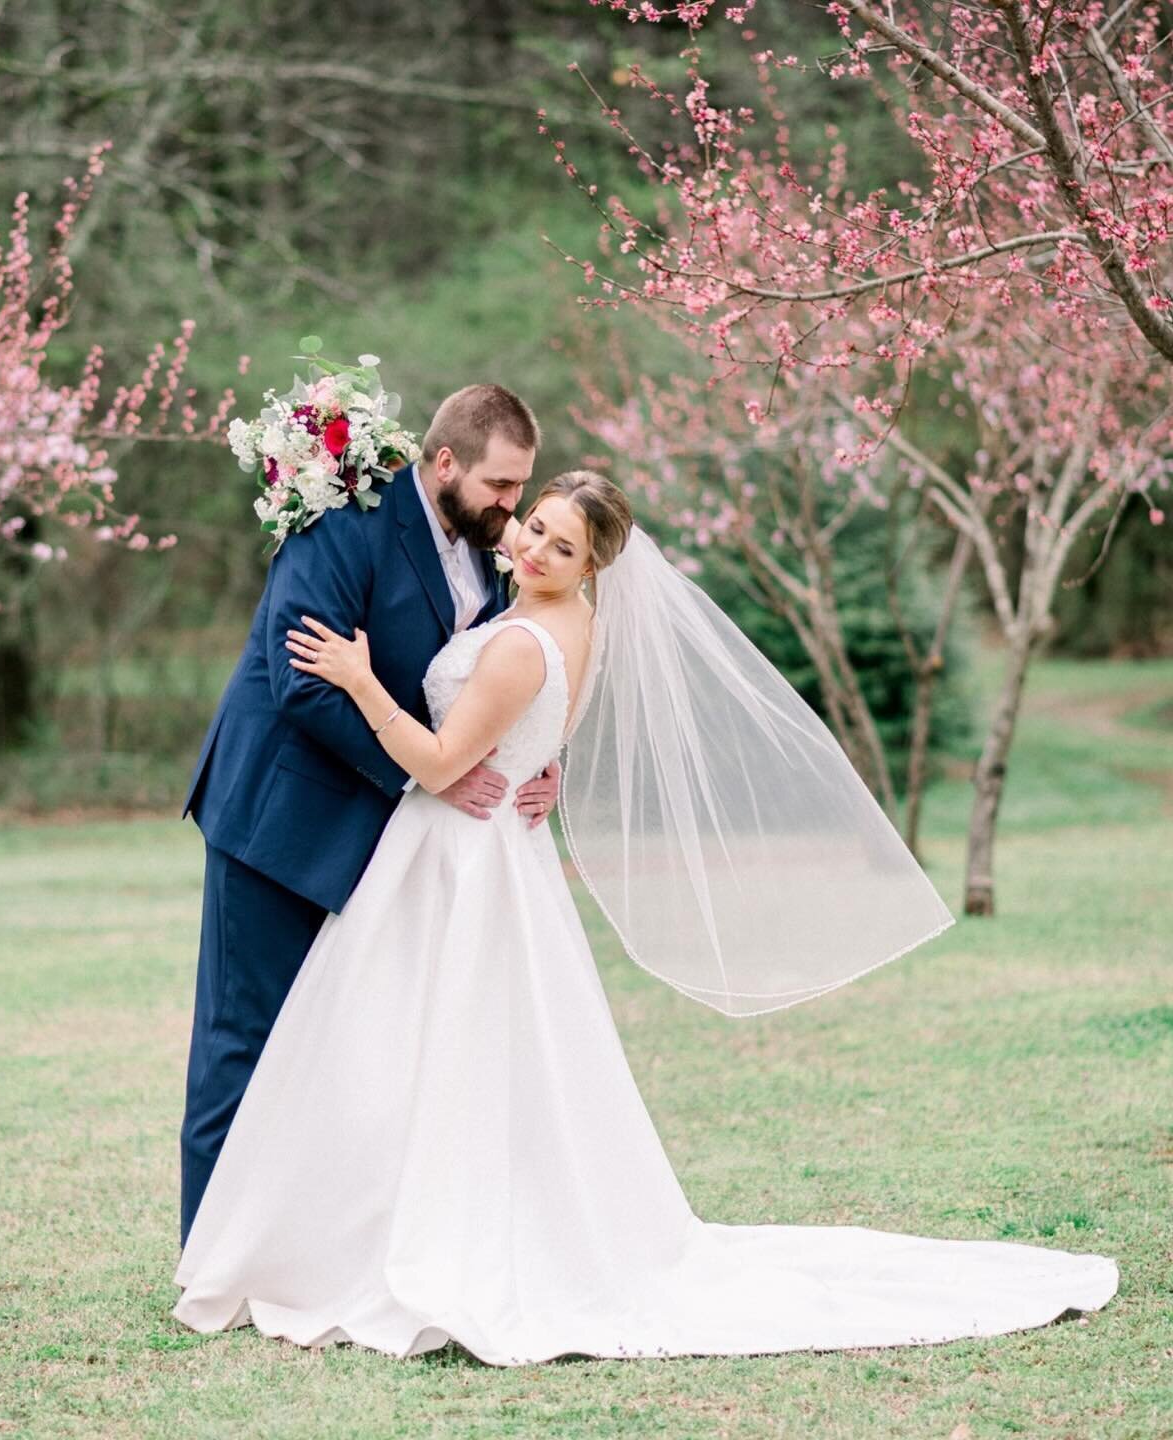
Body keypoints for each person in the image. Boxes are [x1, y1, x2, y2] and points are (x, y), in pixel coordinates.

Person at [172, 469, 1118, 1364]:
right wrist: (539, 765)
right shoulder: (567, 623)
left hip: (459, 859)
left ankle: (404, 1246)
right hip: (487, 858)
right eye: (536, 525)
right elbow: (531, 729)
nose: (536, 547)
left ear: (594, 568)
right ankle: (389, 1225)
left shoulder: (517, 639)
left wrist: (357, 674)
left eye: (563, 546)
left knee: (419, 1052)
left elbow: (438, 763)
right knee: (443, 1059)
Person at [178, 384, 560, 1247]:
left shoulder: (489, 551)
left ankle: (310, 1246)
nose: (514, 507)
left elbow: (494, 677)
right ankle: (209, 1252)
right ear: (445, 461)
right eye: (502, 486)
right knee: (246, 1038)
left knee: (345, 1046)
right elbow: (302, 682)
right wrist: (427, 776)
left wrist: (537, 757)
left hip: (383, 837)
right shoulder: (345, 523)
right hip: (278, 816)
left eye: (522, 487)